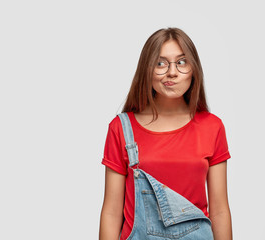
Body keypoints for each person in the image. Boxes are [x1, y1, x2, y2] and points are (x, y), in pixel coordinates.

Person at [99, 27, 233, 240]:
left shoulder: (212, 126)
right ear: (146, 69)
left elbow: (220, 210)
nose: (172, 72)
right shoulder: (122, 128)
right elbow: (111, 212)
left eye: (181, 62)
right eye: (160, 63)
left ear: (193, 69)